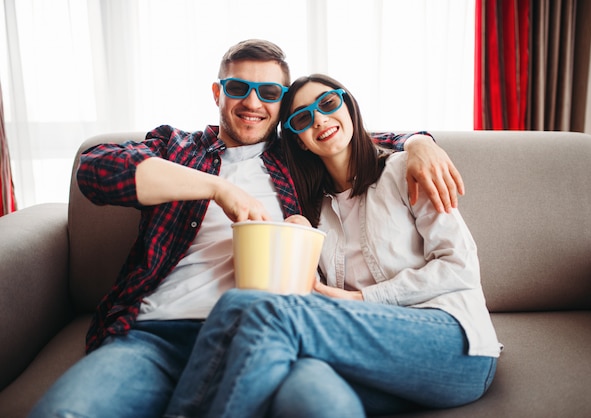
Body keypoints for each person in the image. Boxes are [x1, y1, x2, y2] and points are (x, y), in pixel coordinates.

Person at [27, 40, 464, 418]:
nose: (253, 103)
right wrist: (216, 188)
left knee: (325, 408)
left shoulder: (298, 161)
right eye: (238, 88)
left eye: (269, 92)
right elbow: (97, 170)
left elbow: (352, 136)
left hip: (273, 341)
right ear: (218, 92)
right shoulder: (176, 148)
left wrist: (419, 142)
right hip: (156, 336)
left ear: (282, 105)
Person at [163, 74, 502, 418]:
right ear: (301, 142)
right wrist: (295, 238)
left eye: (327, 104)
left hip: (453, 342)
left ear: (349, 107)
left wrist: (418, 141)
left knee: (257, 308)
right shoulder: (314, 209)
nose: (320, 119)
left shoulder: (405, 170)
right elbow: (312, 297)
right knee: (302, 389)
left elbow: (460, 267)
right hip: (366, 355)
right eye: (303, 118)